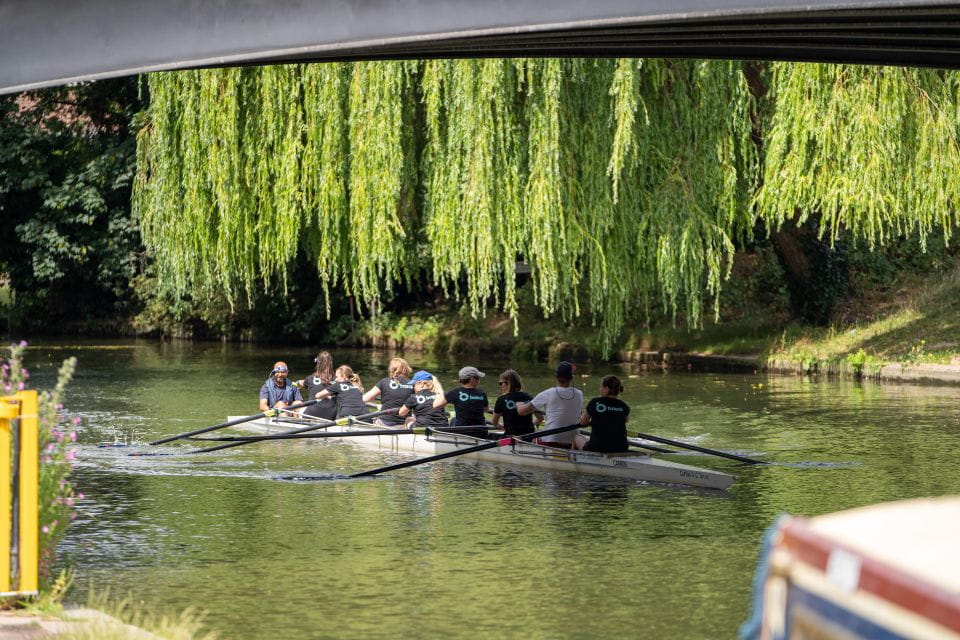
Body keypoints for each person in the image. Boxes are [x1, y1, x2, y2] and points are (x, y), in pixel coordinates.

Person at [517, 361, 583, 448]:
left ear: (555, 377)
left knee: (534, 434)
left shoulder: (548, 393)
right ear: (572, 378)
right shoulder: (579, 394)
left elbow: (522, 412)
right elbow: (579, 415)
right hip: (573, 443)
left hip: (551, 441)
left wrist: (519, 404)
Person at [575, 375, 630, 453]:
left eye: (601, 387)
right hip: (621, 448)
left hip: (597, 448)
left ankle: (574, 461)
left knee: (576, 437)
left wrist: (591, 422)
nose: (599, 389)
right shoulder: (624, 406)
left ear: (606, 389)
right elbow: (625, 420)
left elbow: (583, 422)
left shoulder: (595, 402)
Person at [433, 365, 489, 439]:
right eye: (478, 378)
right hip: (481, 432)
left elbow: (436, 405)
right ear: (472, 379)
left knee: (453, 420)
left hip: (462, 433)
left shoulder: (455, 393)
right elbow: (486, 410)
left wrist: (439, 392)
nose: (479, 380)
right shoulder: (482, 393)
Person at [363, 357, 414, 427]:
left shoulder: (384, 382)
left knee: (373, 418)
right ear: (406, 369)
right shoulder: (413, 384)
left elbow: (365, 399)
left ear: (391, 369)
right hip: (404, 424)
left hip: (385, 423)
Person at [491, 369, 541, 437]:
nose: (500, 386)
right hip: (529, 437)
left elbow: (494, 422)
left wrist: (504, 428)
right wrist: (531, 426)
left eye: (501, 383)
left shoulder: (501, 399)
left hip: (511, 438)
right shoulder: (529, 397)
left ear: (508, 383)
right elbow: (540, 418)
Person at [295, 351, 337, 420]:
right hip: (331, 415)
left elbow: (302, 383)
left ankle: (298, 426)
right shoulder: (337, 380)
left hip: (312, 413)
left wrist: (298, 382)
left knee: (296, 405)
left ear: (318, 364)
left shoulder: (310, 378)